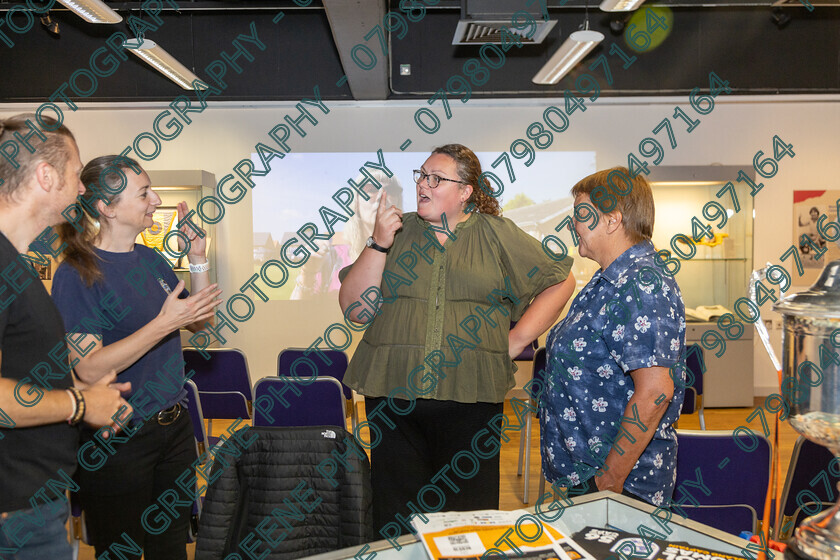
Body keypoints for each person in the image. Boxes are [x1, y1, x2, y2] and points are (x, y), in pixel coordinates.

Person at [338, 144, 575, 532]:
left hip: (471, 398)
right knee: (396, 518)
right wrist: (378, 242)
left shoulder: (497, 234)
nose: (422, 185)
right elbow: (355, 309)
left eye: (436, 179)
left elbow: (561, 279)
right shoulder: (395, 232)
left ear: (465, 192)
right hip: (394, 399)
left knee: (468, 518)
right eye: (421, 176)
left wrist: (517, 339)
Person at [51, 155, 222, 559]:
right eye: (144, 193)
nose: (156, 199)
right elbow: (89, 367)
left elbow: (200, 322)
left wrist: (198, 255)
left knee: (171, 549)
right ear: (106, 208)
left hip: (174, 427)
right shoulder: (77, 272)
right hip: (118, 439)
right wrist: (163, 325)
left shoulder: (150, 259)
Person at [0, 114, 131, 559]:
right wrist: (79, 404)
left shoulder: (17, 263)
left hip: (36, 505)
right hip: (17, 515)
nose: (81, 188)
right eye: (76, 174)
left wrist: (79, 392)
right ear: (44, 175)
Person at [540, 166, 686, 507]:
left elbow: (654, 392)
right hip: (588, 478)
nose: (572, 224)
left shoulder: (640, 285)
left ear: (611, 220)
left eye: (580, 214)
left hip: (619, 488)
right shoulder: (610, 279)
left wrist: (608, 480)